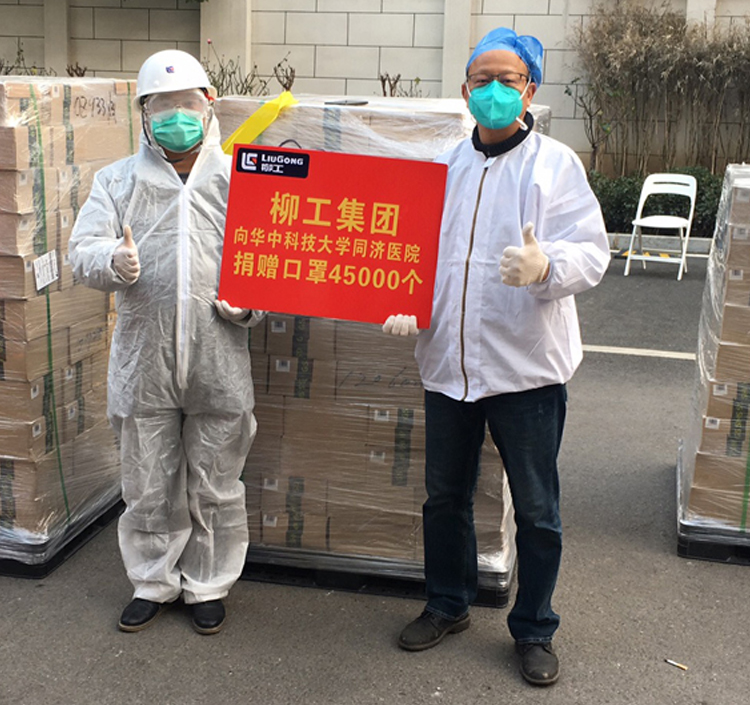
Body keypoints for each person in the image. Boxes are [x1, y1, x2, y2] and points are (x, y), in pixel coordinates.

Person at [383, 28, 610, 686]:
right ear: (464, 90)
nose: (493, 91)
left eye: (507, 80)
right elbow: (416, 252)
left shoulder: (555, 166)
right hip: (448, 366)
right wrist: (405, 298)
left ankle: (534, 628)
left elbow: (592, 253)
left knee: (537, 509)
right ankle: (447, 603)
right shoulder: (443, 169)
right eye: (481, 80)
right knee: (444, 498)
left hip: (526, 370)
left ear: (529, 90)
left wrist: (548, 266)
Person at [69, 50, 264, 635]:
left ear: (209, 107)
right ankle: (152, 580)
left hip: (218, 354)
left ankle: (207, 583)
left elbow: (270, 262)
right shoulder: (118, 181)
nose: (176, 116)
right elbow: (82, 250)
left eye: (187, 105)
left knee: (216, 480)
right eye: (162, 106)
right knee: (147, 480)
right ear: (144, 114)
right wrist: (113, 259)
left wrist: (249, 306)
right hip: (144, 359)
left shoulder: (240, 181)